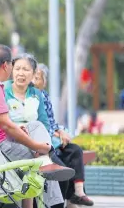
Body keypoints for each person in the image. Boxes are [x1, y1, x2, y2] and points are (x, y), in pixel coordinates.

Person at [0, 45, 74, 208]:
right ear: (5, 65)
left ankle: (46, 160)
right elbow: (7, 126)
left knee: (35, 127)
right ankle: (54, 201)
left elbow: (3, 124)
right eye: (14, 66)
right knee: (39, 159)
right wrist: (36, 145)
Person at [34, 63, 94, 206]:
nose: (34, 81)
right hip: (42, 143)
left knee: (75, 150)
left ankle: (79, 193)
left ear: (44, 81)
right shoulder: (29, 96)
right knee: (62, 168)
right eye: (33, 78)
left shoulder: (44, 96)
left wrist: (60, 131)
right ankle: (68, 199)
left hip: (51, 139)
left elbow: (50, 122)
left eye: (37, 78)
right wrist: (55, 135)